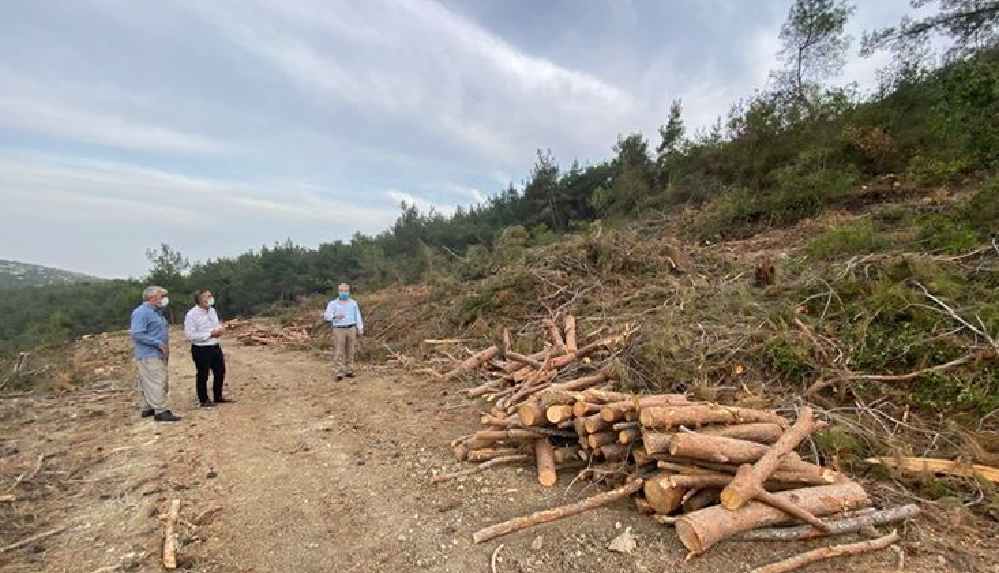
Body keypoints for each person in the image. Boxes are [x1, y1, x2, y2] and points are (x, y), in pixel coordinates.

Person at [130, 286, 181, 422]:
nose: (164, 299)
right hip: (149, 353)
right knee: (157, 380)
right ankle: (161, 411)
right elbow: (137, 333)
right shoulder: (142, 312)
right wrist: (157, 343)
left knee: (150, 380)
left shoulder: (156, 313)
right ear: (152, 298)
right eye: (161, 296)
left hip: (157, 353)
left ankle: (148, 407)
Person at [184, 289, 231, 407]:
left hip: (215, 346)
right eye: (207, 296)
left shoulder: (212, 311)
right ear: (200, 299)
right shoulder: (191, 315)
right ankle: (203, 399)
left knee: (220, 371)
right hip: (201, 348)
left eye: (211, 295)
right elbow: (190, 335)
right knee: (203, 374)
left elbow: (216, 325)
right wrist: (210, 334)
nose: (210, 298)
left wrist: (220, 329)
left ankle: (218, 396)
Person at [324, 283, 364, 381]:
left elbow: (357, 316)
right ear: (338, 291)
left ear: (349, 292)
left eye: (346, 291)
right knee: (339, 351)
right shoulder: (332, 303)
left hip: (351, 328)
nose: (344, 293)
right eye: (342, 291)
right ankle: (339, 372)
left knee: (350, 350)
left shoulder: (353, 303)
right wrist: (334, 316)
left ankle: (349, 370)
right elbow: (326, 316)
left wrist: (360, 327)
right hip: (339, 329)